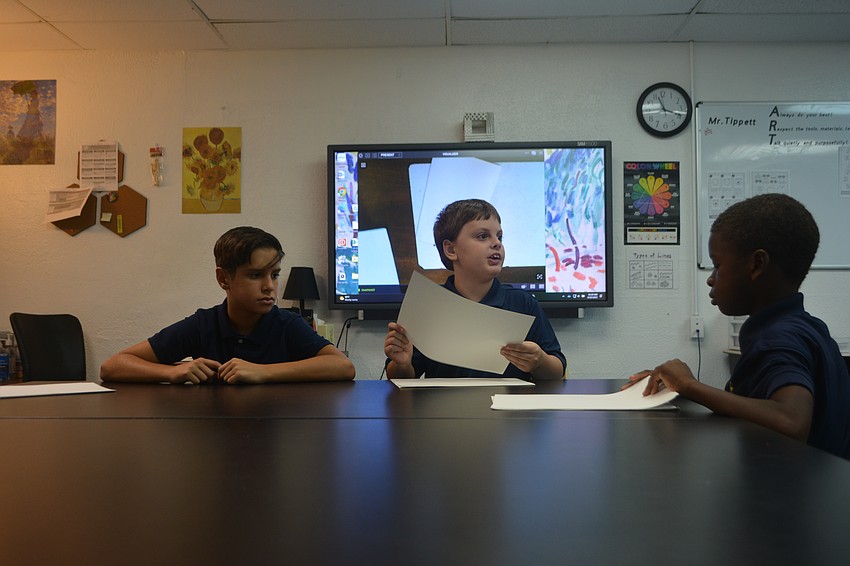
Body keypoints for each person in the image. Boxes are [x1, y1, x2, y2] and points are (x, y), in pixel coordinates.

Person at [624, 194, 850, 459]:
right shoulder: (808, 327)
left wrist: (690, 386)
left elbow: (791, 421)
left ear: (757, 265)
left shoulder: (779, 339)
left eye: (718, 265)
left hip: (794, 496)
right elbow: (755, 407)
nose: (710, 279)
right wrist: (682, 387)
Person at [101, 226, 355, 384]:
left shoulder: (287, 324)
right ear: (224, 278)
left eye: (274, 275)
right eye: (256, 275)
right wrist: (171, 373)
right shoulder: (204, 325)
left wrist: (263, 372)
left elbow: (343, 366)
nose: (270, 286)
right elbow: (112, 366)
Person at [384, 199, 566, 381]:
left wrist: (540, 361)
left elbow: (557, 371)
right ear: (450, 249)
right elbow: (400, 377)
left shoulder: (522, 302)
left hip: (511, 407)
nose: (497, 244)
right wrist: (402, 364)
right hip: (443, 408)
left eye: (499, 237)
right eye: (482, 236)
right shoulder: (428, 305)